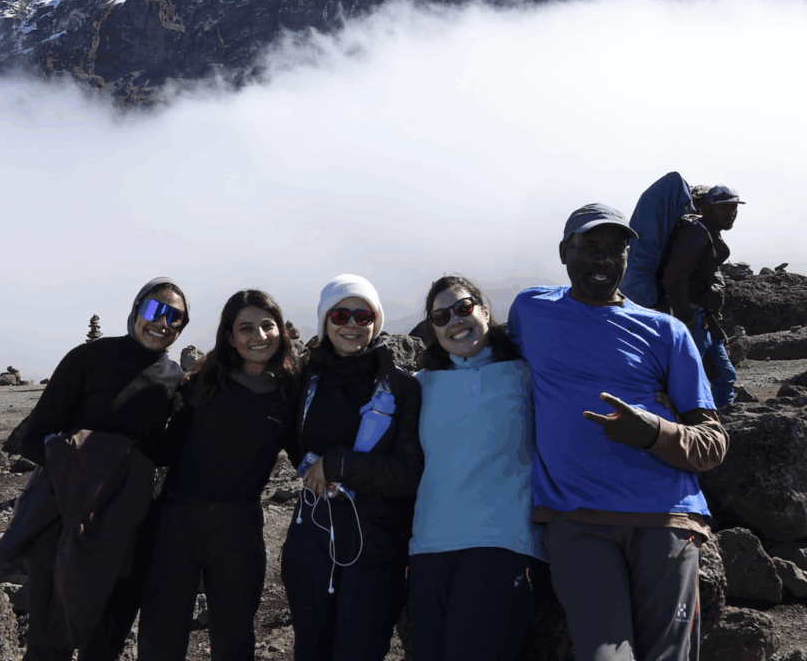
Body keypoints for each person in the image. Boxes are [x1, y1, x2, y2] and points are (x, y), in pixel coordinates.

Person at [507, 205, 729, 661]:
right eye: (590, 247)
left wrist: (654, 432)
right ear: (564, 252)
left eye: (616, 249)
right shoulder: (531, 309)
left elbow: (712, 444)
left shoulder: (666, 332)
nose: (604, 259)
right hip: (578, 520)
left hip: (666, 517)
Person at [1, 277, 189, 661]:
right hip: (63, 519)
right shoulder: (87, 358)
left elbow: (159, 452)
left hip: (127, 525)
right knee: (48, 644)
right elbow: (34, 438)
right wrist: (90, 467)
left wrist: (189, 416)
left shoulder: (173, 378)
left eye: (176, 318)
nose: (163, 322)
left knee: (105, 643)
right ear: (136, 309)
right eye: (155, 309)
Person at [137, 289, 300, 661]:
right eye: (246, 328)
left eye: (267, 325)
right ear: (229, 336)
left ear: (281, 330)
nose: (258, 336)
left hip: (238, 528)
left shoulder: (290, 393)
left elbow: (304, 452)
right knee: (160, 639)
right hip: (175, 524)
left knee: (234, 640)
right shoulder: (202, 383)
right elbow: (165, 450)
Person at [281, 274, 424, 661]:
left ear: (376, 322)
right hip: (311, 540)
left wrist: (338, 464)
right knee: (310, 649)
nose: (352, 325)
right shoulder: (306, 381)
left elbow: (408, 474)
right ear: (324, 321)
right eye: (340, 315)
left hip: (374, 548)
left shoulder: (401, 388)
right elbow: (293, 444)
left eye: (364, 316)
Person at [410, 275, 548, 661]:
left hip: (504, 543)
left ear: (485, 311)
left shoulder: (528, 375)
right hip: (428, 547)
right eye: (441, 317)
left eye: (463, 308)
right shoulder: (418, 386)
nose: (455, 320)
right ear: (433, 330)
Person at [661, 184, 744, 407]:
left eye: (734, 207)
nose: (731, 212)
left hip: (703, 319)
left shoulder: (707, 231)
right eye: (724, 207)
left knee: (724, 375)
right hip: (692, 318)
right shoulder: (695, 232)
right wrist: (686, 317)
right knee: (684, 377)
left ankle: (722, 421)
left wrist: (716, 329)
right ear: (707, 208)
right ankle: (678, 422)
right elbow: (674, 278)